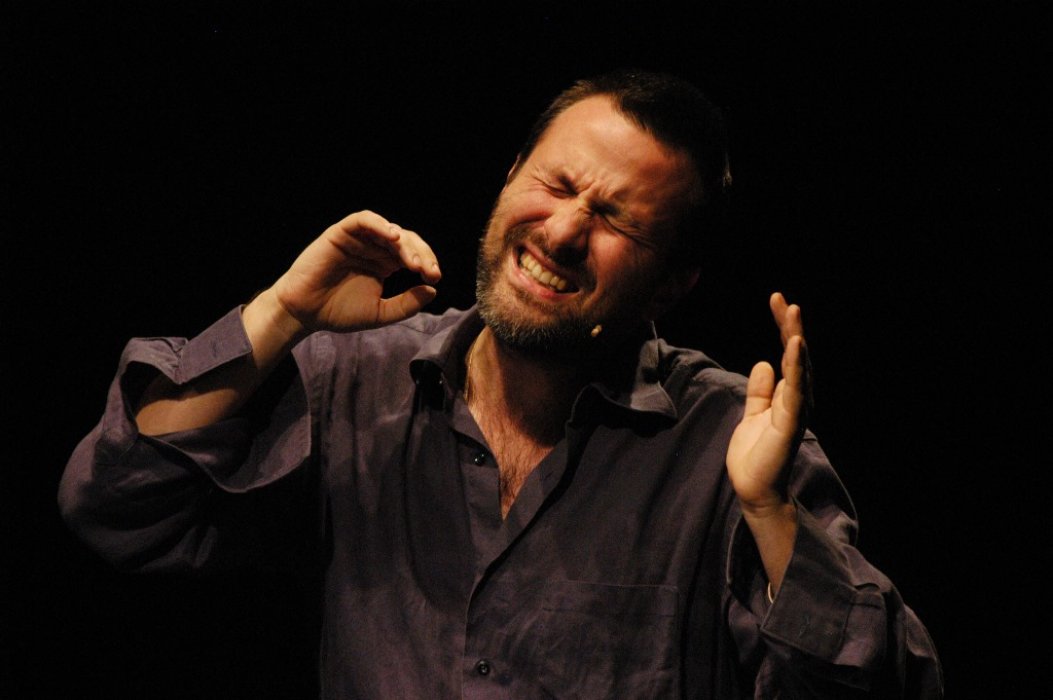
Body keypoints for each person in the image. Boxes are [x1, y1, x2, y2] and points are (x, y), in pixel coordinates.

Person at [59, 69, 943, 698]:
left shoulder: (730, 446)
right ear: (511, 173)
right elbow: (118, 508)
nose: (560, 233)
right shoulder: (356, 382)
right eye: (556, 184)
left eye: (616, 220)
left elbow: (885, 685)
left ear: (670, 285)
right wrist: (281, 312)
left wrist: (769, 513)